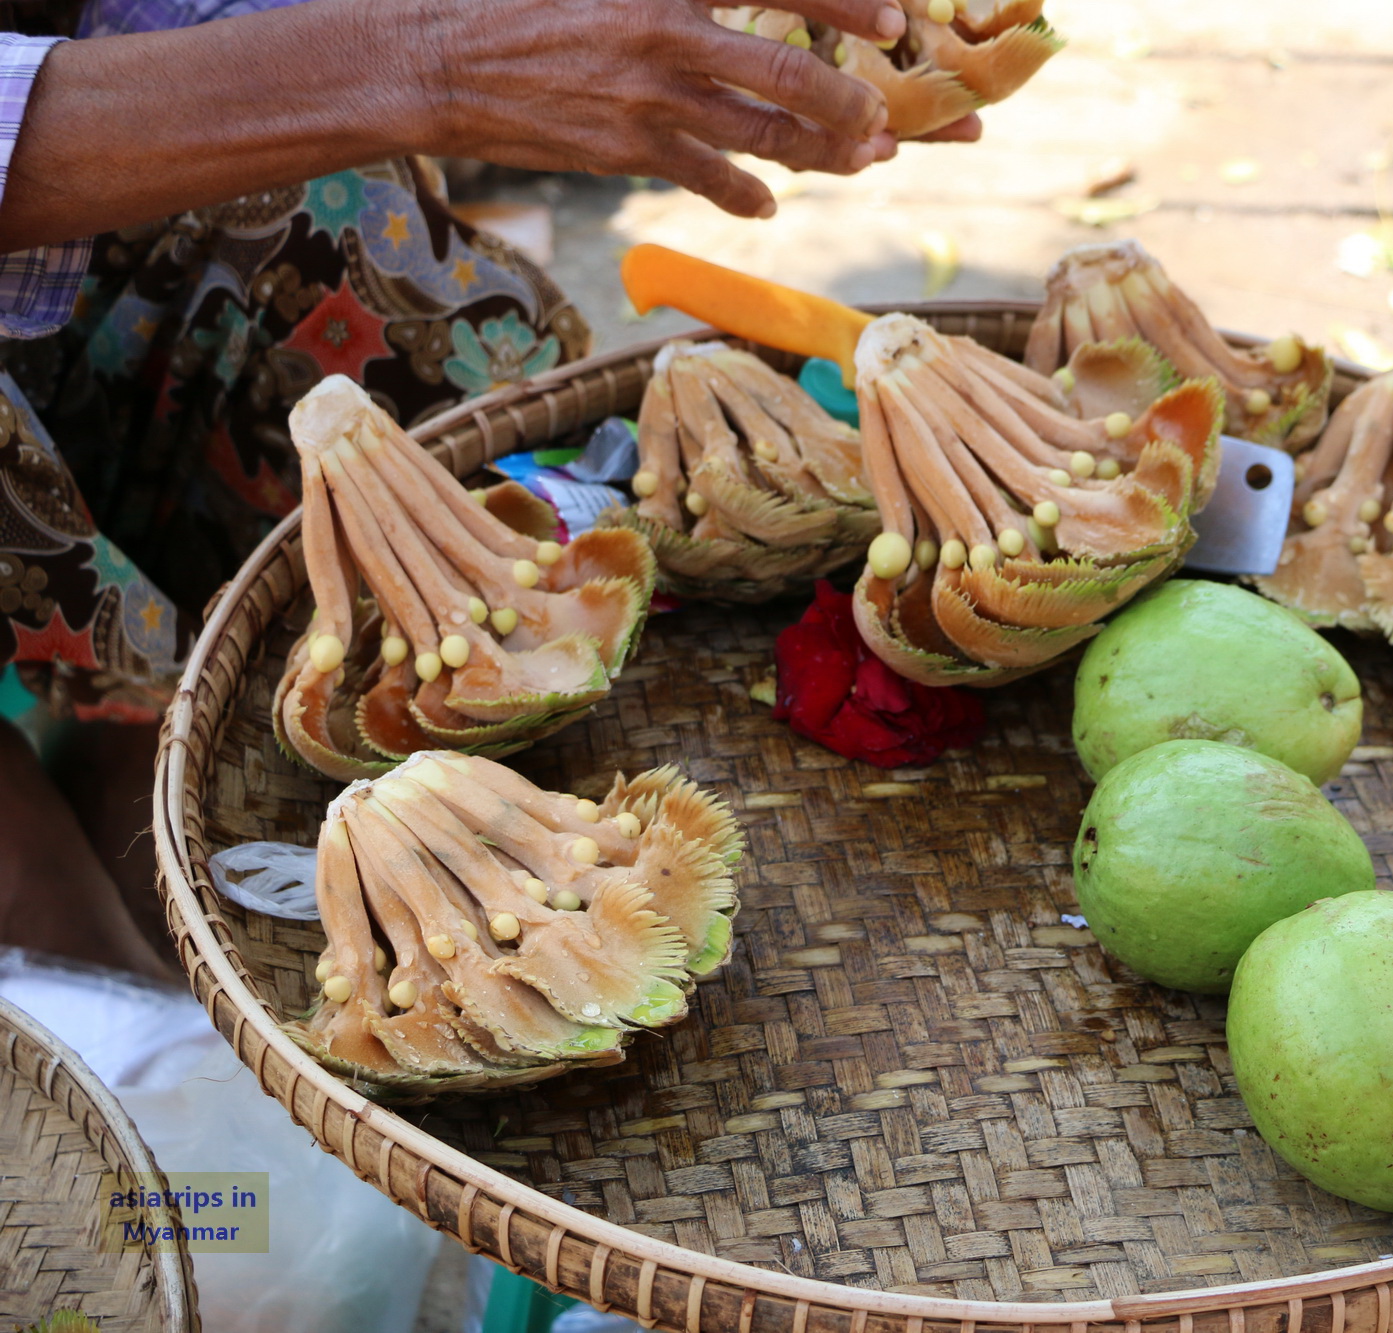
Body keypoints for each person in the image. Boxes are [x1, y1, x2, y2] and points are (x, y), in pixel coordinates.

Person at [0, 0, 978, 978]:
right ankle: (95, 1018)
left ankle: (157, 780)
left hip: (115, 187)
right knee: (87, 1009)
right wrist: (432, 62)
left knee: (212, 695)